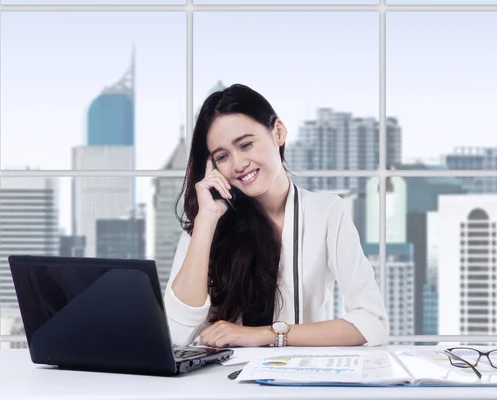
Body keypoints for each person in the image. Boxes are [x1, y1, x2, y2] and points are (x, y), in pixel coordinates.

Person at [164, 83, 389, 348]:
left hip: (295, 378)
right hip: (220, 383)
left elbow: (372, 323)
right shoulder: (207, 221)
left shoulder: (325, 212)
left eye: (246, 144)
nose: (238, 164)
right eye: (223, 156)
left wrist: (266, 334)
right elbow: (176, 335)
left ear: (278, 132)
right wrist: (206, 220)